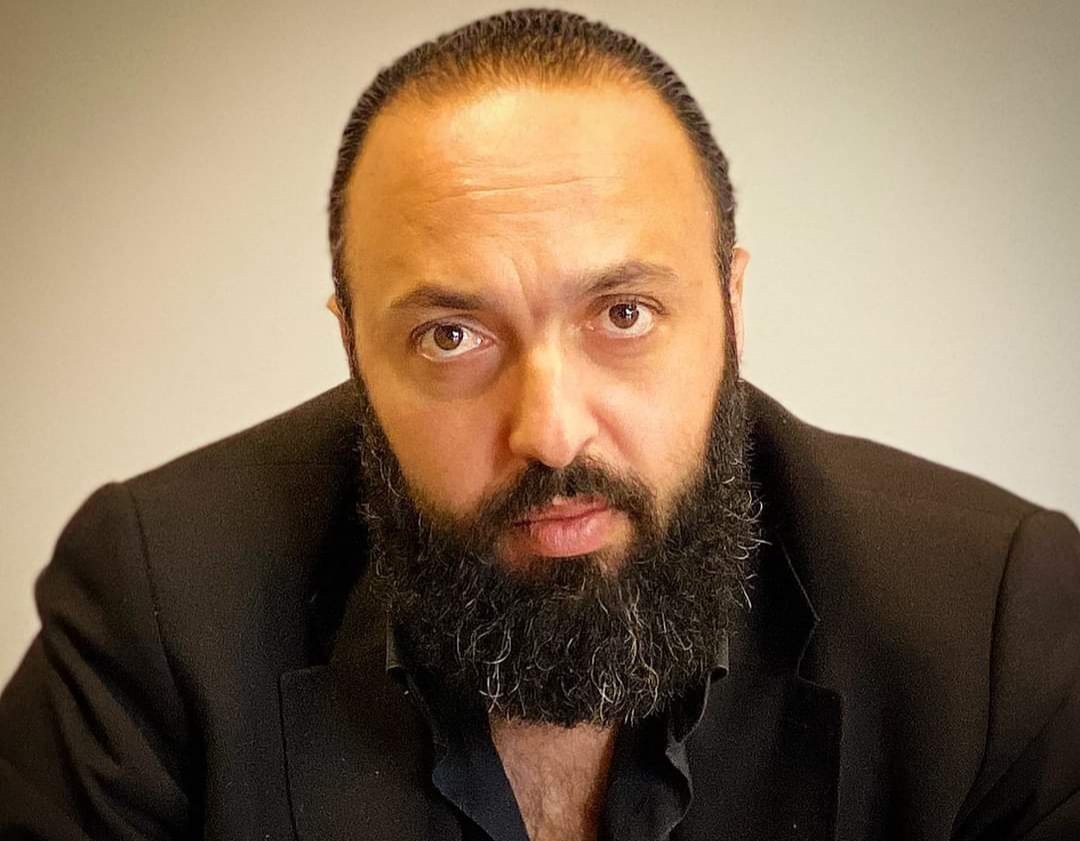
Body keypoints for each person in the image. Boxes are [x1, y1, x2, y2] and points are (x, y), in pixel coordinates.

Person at [1, 8, 1078, 840]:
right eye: (451, 337)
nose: (553, 434)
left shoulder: (992, 624)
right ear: (353, 349)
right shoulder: (155, 606)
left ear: (731, 307)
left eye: (624, 314)